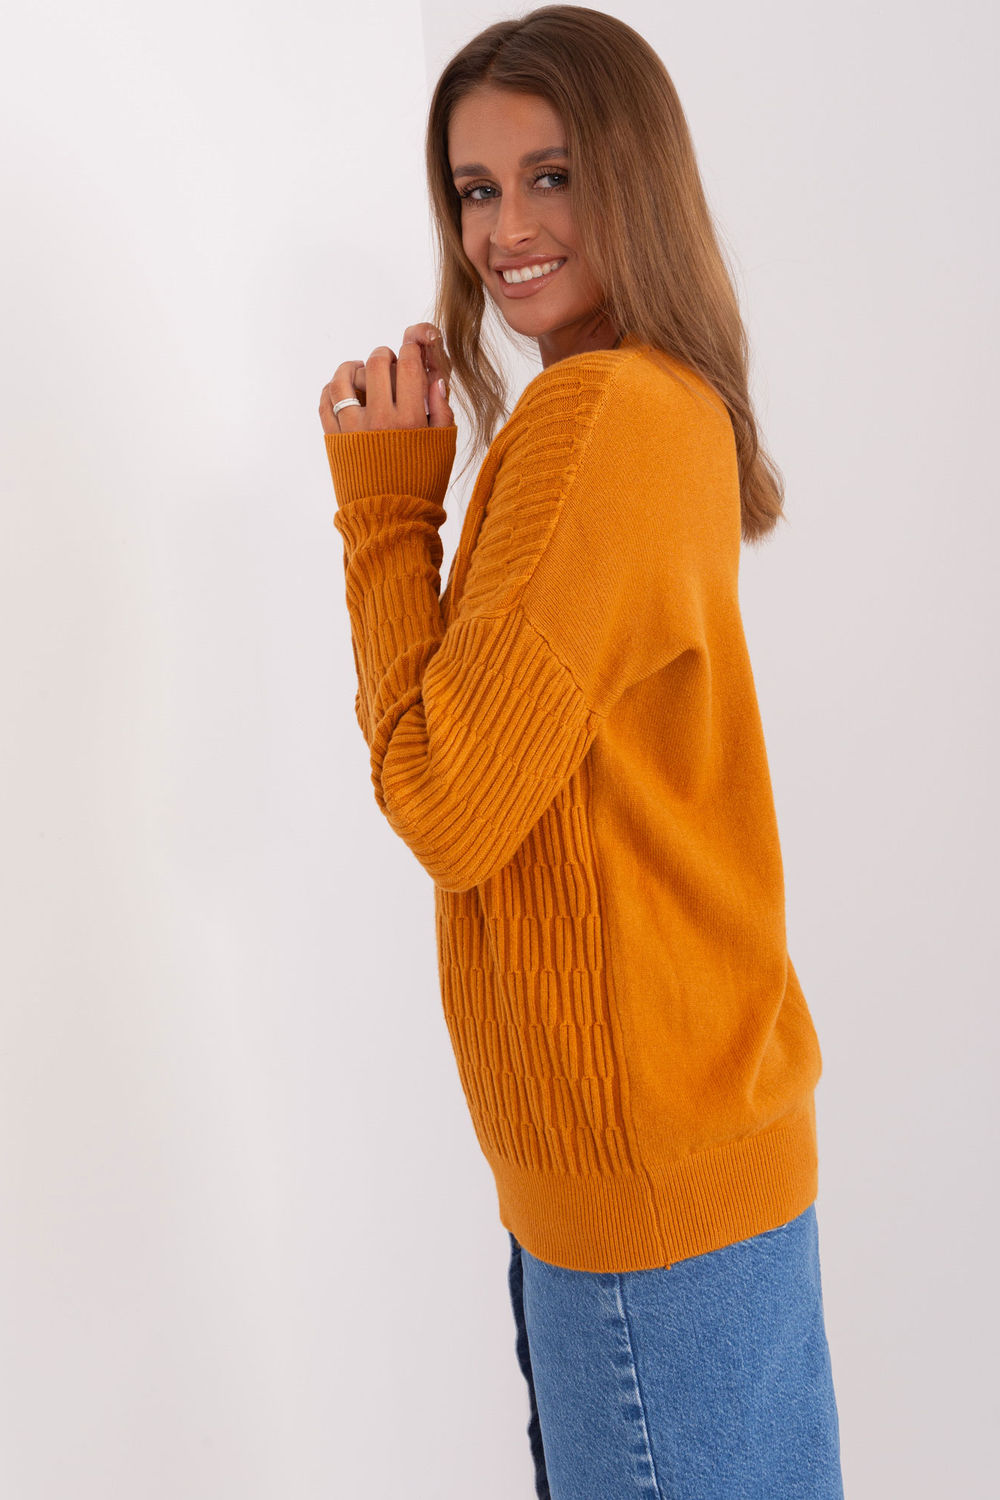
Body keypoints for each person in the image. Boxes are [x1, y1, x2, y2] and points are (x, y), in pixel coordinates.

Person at [317, 6, 844, 1497]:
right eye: (475, 190)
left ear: (636, 177)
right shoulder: (667, 406)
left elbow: (447, 804)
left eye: (551, 176)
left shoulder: (597, 417)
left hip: (645, 1209)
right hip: (699, 1165)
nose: (505, 231)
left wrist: (385, 515)